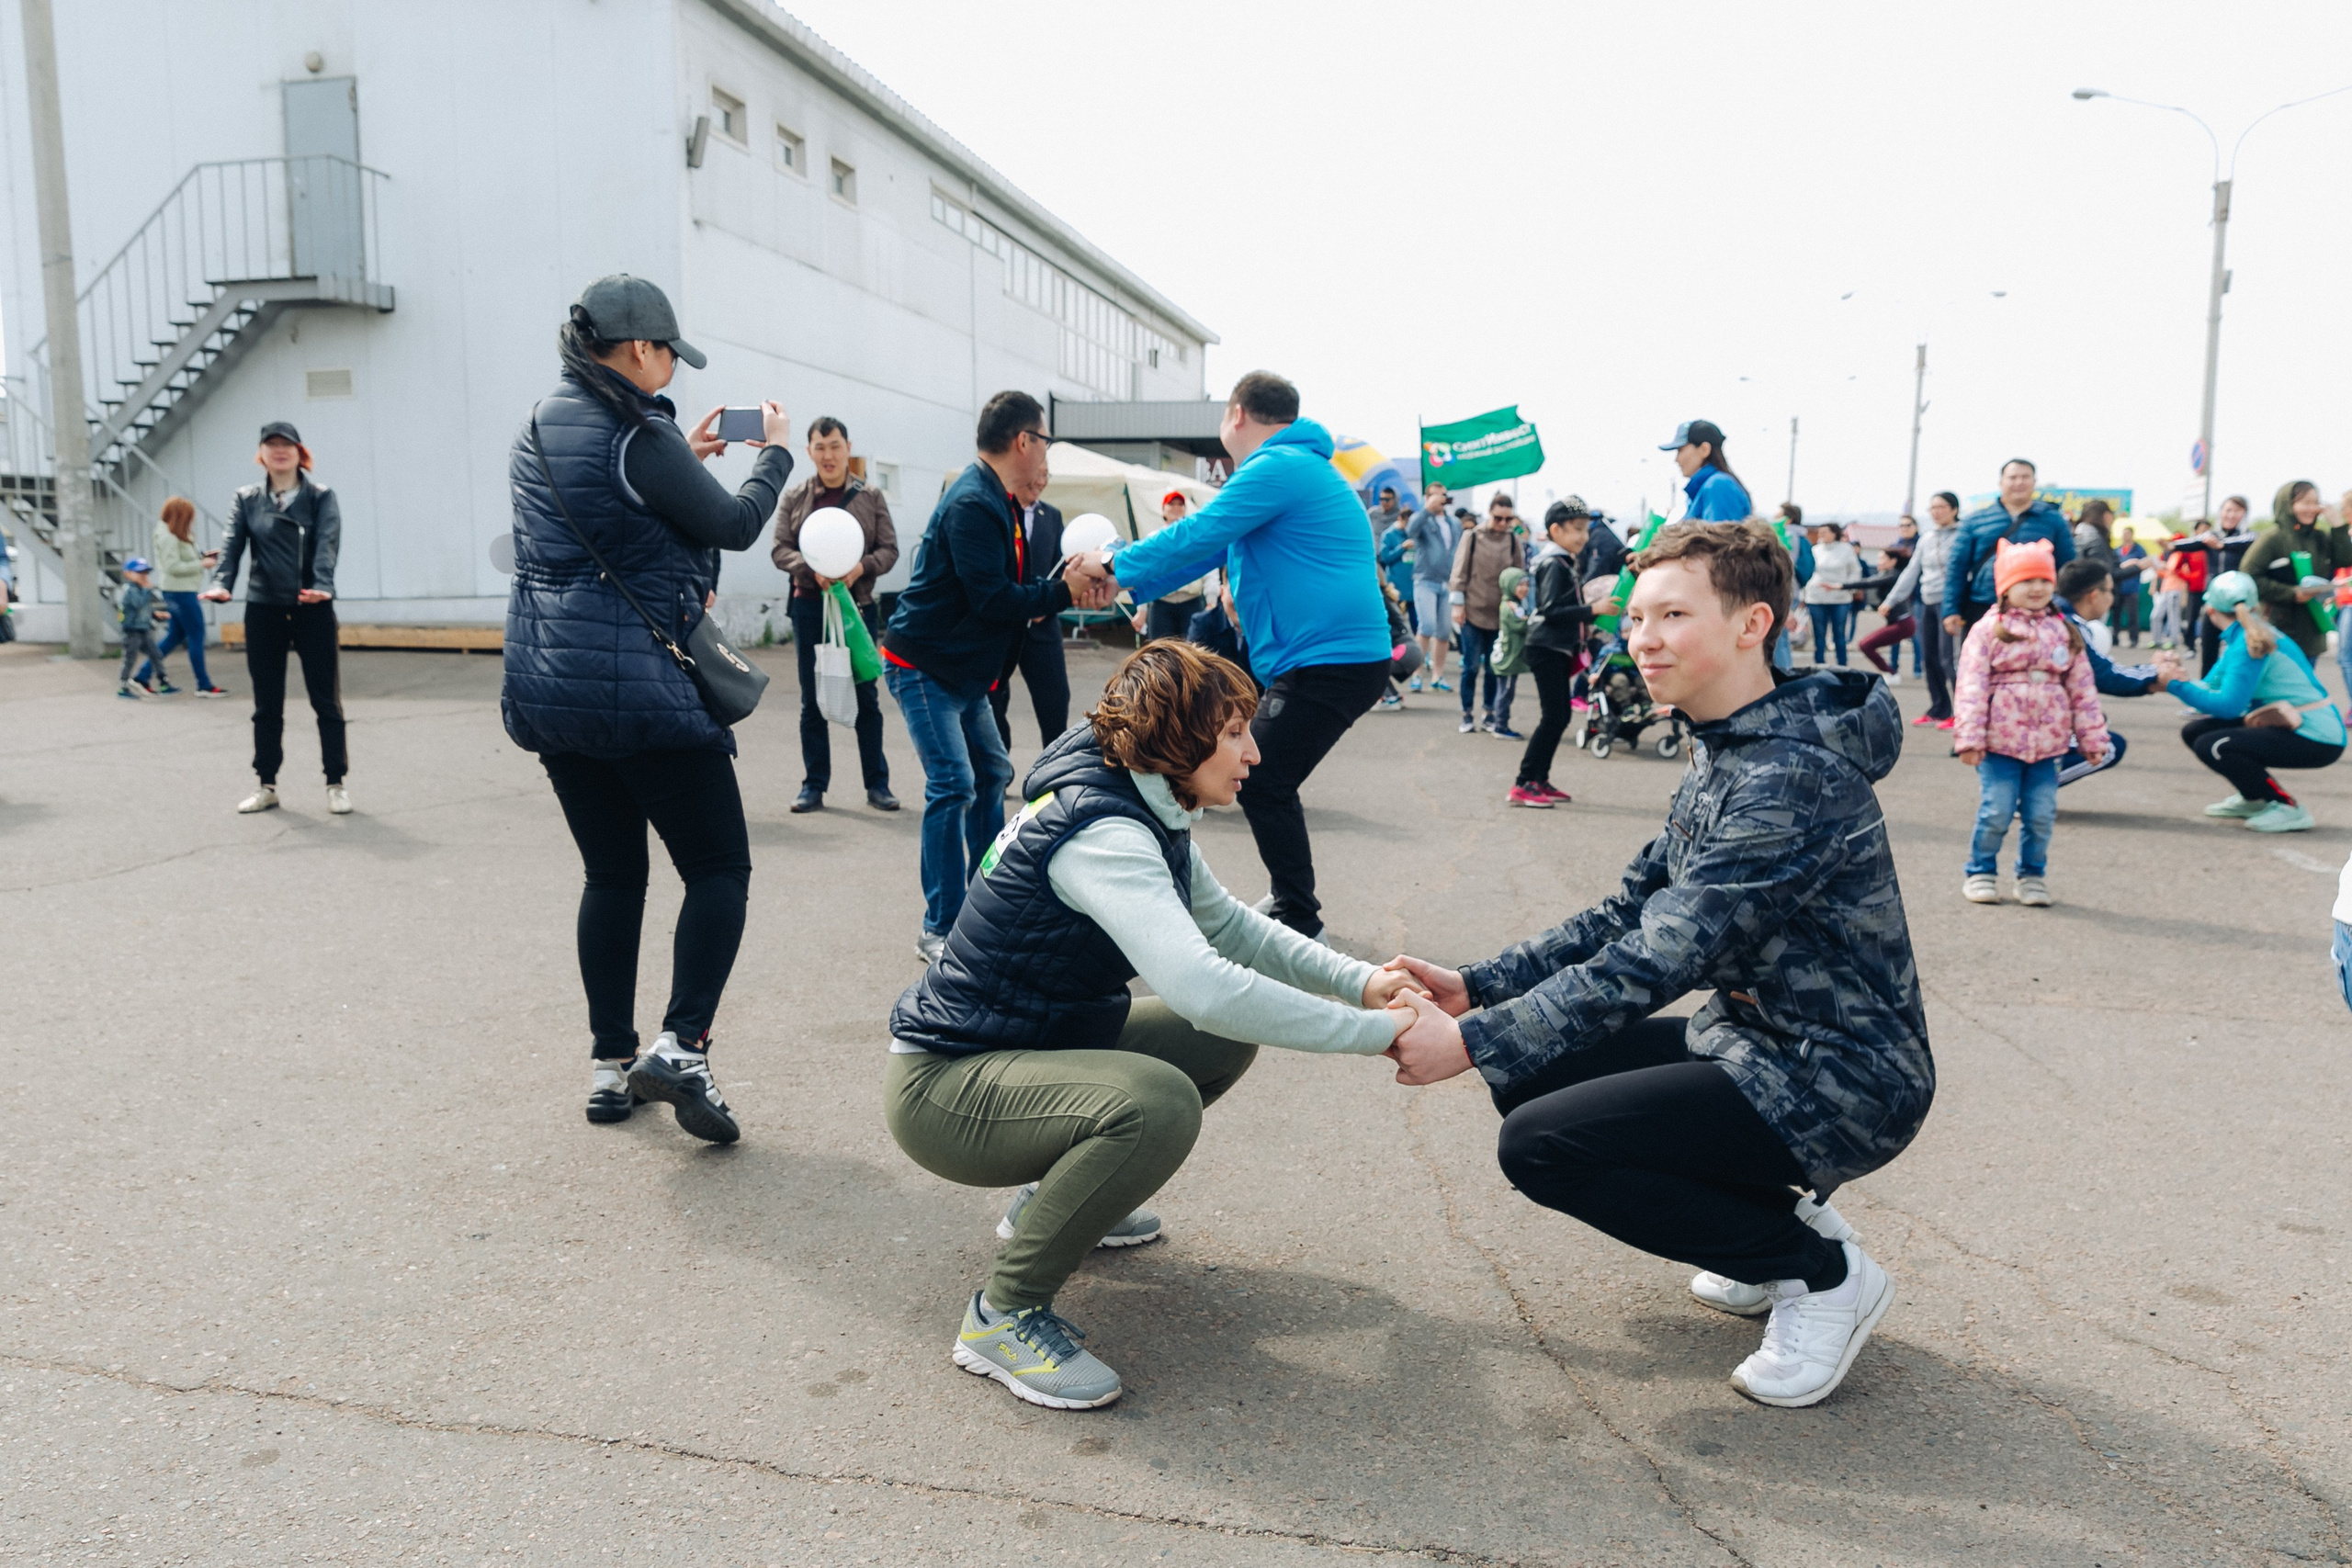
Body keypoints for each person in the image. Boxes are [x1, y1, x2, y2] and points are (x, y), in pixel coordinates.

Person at [1380, 521, 1928, 1409]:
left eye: (1673, 614)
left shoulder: (1787, 775)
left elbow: (1662, 954)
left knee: (1541, 1144)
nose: (1642, 638)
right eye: (1636, 616)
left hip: (1840, 1075)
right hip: (1757, 1043)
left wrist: (1475, 1038)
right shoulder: (1731, 743)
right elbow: (1632, 906)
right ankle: (1764, 1232)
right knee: (1537, 1077)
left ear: (1753, 625)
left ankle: (1821, 1273)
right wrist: (1481, 984)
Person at [882, 641, 1419, 1409]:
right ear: (1178, 737)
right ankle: (1002, 1317)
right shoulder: (1105, 832)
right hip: (947, 1088)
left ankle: (1057, 1201)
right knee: (1158, 1103)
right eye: (1235, 732)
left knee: (1222, 1040)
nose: (1254, 752)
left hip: (1020, 1050)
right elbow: (1202, 982)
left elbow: (1233, 929)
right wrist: (1378, 1035)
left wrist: (1364, 982)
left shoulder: (1141, 799)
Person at [502, 275, 792, 1140]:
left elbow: (604, 524)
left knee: (612, 874)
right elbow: (739, 527)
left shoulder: (536, 427)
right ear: (638, 350)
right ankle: (683, 1045)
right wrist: (770, 451)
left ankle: (608, 1064)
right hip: (645, 694)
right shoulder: (639, 430)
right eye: (669, 352)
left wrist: (684, 464)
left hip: (554, 687)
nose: (673, 366)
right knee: (718, 868)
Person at [1065, 371, 1392, 941]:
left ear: (1235, 415)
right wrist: (1125, 583)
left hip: (1330, 661)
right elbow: (1206, 549)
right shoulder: (1298, 468)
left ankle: (1297, 914)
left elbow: (1200, 531)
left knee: (1262, 777)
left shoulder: (1279, 466)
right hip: (1327, 659)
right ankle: (1292, 904)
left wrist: (1115, 567)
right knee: (1260, 773)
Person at [885, 391, 1103, 964]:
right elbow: (992, 599)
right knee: (954, 782)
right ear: (1023, 441)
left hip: (965, 672)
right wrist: (1064, 592)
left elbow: (1013, 589)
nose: (1047, 457)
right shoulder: (974, 502)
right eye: (1046, 441)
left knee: (992, 773)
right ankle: (941, 926)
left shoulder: (998, 498)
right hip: (924, 667)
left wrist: (1064, 580)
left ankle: (988, 908)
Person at [199, 421, 350, 816]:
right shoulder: (247, 498)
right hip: (263, 608)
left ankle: (336, 783)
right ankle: (266, 785)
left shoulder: (320, 496)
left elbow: (327, 543)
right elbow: (232, 543)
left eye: (287, 444)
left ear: (301, 452)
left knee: (326, 701)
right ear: (261, 454)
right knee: (267, 704)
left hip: (311, 607)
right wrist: (221, 582)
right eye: (271, 444)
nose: (279, 451)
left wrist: (321, 584)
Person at [1951, 541, 2109, 907]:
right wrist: (1970, 738)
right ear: (2005, 586)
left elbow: (2082, 689)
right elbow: (1971, 687)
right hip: (1998, 744)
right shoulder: (1989, 630)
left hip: (2049, 744)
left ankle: (2032, 875)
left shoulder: (2064, 631)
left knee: (2041, 815)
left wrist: (2091, 736)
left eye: (2044, 579)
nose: (2037, 588)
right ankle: (1980, 871)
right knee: (1996, 811)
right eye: (2026, 580)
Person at [770, 416, 899, 814]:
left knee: (865, 697)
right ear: (809, 452)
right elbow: (780, 549)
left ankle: (877, 785)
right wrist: (812, 569)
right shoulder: (795, 497)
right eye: (820, 447)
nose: (828, 455)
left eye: (835, 446)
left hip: (856, 608)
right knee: (813, 699)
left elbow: (889, 549)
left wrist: (861, 567)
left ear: (848, 448)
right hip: (810, 606)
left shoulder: (870, 496)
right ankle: (814, 785)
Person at [2158, 570, 2346, 833]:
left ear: (2210, 611)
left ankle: (2286, 807)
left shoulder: (2249, 641)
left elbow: (2228, 706)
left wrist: (2174, 685)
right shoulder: (2249, 635)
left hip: (2316, 736)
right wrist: (2179, 679)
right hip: (2302, 726)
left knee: (2214, 745)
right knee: (2197, 731)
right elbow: (2211, 689)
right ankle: (2254, 798)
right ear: (2255, 606)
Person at [1512, 503, 1615, 807]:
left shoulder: (1564, 561)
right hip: (1545, 646)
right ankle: (1525, 783)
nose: (1584, 536)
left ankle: (1538, 779)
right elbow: (1550, 610)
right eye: (1578, 529)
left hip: (1555, 647)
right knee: (1554, 716)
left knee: (1559, 716)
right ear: (1557, 530)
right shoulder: (1552, 563)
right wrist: (1593, 609)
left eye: (1586, 529)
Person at [2052, 558, 2162, 786]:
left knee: (2096, 720)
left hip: (2008, 723)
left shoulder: (2049, 614)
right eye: (2110, 591)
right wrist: (2157, 674)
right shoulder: (2070, 624)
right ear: (2093, 595)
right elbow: (2107, 677)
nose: (2112, 598)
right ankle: (2033, 790)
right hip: (2037, 726)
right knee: (2108, 746)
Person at [1940, 458, 2074, 636]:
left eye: (2025, 477)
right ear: (2001, 482)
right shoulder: (1976, 520)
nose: (2019, 482)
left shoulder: (2053, 520)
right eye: (2013, 477)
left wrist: (2067, 606)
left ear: (2034, 482)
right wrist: (1951, 610)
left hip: (2038, 611)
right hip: (1983, 606)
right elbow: (1957, 568)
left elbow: (2068, 567)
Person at [989, 493, 1073, 757]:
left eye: (1045, 474)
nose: (1040, 479)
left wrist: (1047, 603)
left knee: (1055, 700)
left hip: (1042, 626)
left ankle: (1053, 770)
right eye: (1038, 472)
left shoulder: (1051, 515)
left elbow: (1062, 569)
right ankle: (999, 771)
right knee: (993, 703)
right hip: (1001, 624)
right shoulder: (997, 509)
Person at [2240, 479, 2351, 667]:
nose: (2311, 508)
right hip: (2278, 628)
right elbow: (2249, 575)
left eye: (2315, 503)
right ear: (2288, 504)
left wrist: (2338, 526)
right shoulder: (2273, 537)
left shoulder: (2320, 537)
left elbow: (2346, 559)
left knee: (2306, 690)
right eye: (2305, 503)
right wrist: (2291, 593)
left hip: (2312, 630)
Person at [1450, 493, 1528, 736]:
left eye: (1508, 519)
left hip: (1501, 615)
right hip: (1472, 611)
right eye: (1498, 518)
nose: (1503, 524)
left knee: (1496, 668)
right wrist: (1458, 605)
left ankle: (1489, 713)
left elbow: (1519, 576)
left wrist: (1519, 607)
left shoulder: (1513, 540)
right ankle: (1466, 714)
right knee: (1471, 667)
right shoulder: (1472, 536)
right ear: (1489, 513)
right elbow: (1459, 572)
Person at [137, 497, 224, 696]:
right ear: (180, 516)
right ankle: (204, 685)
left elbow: (180, 558)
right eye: (188, 517)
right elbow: (172, 567)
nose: (190, 522)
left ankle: (142, 677)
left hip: (178, 591)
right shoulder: (169, 536)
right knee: (196, 635)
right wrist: (202, 564)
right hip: (181, 592)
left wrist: (202, 556)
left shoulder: (172, 533)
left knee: (174, 637)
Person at [1406, 481, 1459, 691]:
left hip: (1447, 583)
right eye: (1435, 496)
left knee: (1444, 632)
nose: (1440, 500)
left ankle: (1438, 675)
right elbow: (1410, 531)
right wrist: (1427, 510)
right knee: (1426, 626)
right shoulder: (1421, 519)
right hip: (1425, 580)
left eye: (1443, 495)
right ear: (1427, 498)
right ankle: (1416, 674)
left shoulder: (1453, 523)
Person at [1134, 491, 1206, 643]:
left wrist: (1211, 599)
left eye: (1180, 504)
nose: (1176, 508)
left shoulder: (1193, 537)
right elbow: (1144, 573)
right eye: (1171, 504)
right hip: (1162, 604)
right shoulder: (1154, 538)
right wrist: (1141, 610)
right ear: (1163, 509)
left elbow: (1207, 565)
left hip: (1191, 601)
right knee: (1161, 651)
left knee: (1192, 652)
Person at [1801, 522, 1860, 668]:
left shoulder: (1846, 550)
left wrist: (1848, 588)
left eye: (1825, 532)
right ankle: (1819, 665)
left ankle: (1842, 665)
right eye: (1820, 532)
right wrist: (1804, 594)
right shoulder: (1815, 550)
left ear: (1834, 533)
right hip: (1816, 597)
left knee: (1839, 633)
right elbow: (1806, 572)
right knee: (1819, 635)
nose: (1821, 535)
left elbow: (1855, 571)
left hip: (1840, 597)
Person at [1852, 549, 1916, 682]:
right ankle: (1891, 672)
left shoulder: (1894, 576)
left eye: (1882, 559)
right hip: (1897, 622)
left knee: (1865, 645)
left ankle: (1892, 673)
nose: (1878, 562)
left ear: (1893, 561)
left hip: (1903, 623)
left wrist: (1839, 586)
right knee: (1867, 645)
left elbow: (1868, 583)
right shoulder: (1887, 574)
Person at [1183, 568, 1251, 685]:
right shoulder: (1202, 625)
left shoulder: (1269, 628)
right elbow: (1191, 674)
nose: (1240, 602)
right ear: (1222, 592)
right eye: (1234, 592)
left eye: (1246, 593)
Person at [1487, 565, 1532, 742]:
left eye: (1526, 585)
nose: (1524, 589)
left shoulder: (1516, 604)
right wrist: (1532, 621)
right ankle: (1500, 726)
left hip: (1510, 656)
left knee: (1507, 691)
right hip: (1507, 658)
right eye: (1519, 585)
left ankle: (1500, 722)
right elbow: (1520, 625)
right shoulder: (1509, 607)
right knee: (1505, 692)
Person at [114, 559, 166, 700]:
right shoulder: (130, 590)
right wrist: (147, 589)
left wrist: (154, 614)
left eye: (146, 572)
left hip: (143, 628)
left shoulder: (140, 589)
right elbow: (137, 604)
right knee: (130, 658)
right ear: (128, 574)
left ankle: (163, 682)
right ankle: (123, 687)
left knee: (155, 654)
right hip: (132, 630)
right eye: (139, 572)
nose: (143, 575)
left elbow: (144, 608)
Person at [1375, 503, 1416, 631]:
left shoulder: (1414, 533)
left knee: (1417, 624)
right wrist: (1402, 548)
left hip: (1414, 586)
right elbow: (1386, 558)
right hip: (1396, 586)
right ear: (1400, 519)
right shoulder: (1389, 535)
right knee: (1397, 624)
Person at [2110, 525, 2149, 648]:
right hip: (2118, 587)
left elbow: (2145, 564)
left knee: (2133, 615)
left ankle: (2134, 639)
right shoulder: (2117, 550)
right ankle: (2115, 638)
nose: (2125, 536)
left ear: (2132, 535)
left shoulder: (2139, 550)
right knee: (2116, 614)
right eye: (2124, 533)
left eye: (2128, 533)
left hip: (2132, 587)